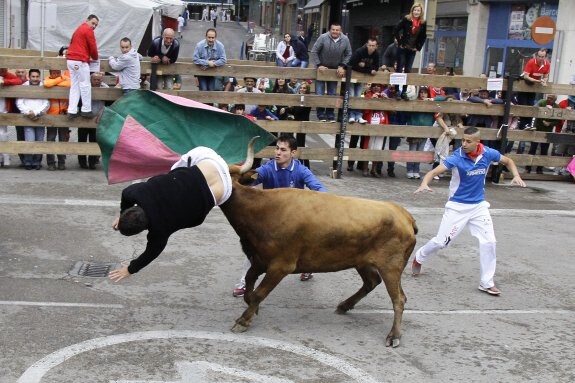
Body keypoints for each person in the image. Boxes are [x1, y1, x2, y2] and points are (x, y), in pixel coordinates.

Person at [412, 126, 527, 296]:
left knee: (489, 242)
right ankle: (420, 256)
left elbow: (508, 161)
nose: (464, 144)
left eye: (468, 141)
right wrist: (424, 183)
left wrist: (516, 175)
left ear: (477, 142)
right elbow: (434, 171)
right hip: (457, 207)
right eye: (463, 140)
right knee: (441, 242)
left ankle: (486, 283)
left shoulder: (488, 153)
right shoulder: (457, 157)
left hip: (479, 206)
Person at [109, 147, 233, 282]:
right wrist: (121, 215)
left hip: (224, 188)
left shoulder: (159, 229)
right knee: (176, 172)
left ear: (144, 228)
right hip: (210, 162)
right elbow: (125, 194)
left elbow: (151, 252)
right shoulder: (138, 193)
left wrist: (130, 269)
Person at [233, 135, 327, 296]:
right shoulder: (268, 168)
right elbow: (250, 180)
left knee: (308, 242)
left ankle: (308, 268)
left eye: (283, 150)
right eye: (277, 148)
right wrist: (241, 179)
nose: (278, 153)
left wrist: (322, 202)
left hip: (294, 220)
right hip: (270, 219)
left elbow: (319, 189)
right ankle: (243, 282)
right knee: (254, 247)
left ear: (294, 153)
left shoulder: (301, 171)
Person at [310, 22, 352, 122]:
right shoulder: (323, 37)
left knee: (332, 93)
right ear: (330, 30)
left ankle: (330, 114)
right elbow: (314, 51)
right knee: (319, 93)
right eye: (333, 29)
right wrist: (319, 64)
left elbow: (349, 54)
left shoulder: (345, 39)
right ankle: (320, 114)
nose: (335, 32)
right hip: (322, 70)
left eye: (337, 30)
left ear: (340, 31)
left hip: (335, 71)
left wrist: (342, 65)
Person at [66, 14, 99, 119]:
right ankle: (86, 109)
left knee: (74, 86)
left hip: (70, 60)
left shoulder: (79, 29)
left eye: (96, 25)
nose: (94, 26)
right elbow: (93, 48)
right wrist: (95, 57)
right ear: (87, 21)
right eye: (93, 23)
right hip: (80, 60)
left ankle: (72, 110)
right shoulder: (88, 30)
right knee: (85, 84)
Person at [16, 69, 49, 170]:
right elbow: (19, 102)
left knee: (39, 140)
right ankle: (28, 161)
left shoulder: (43, 86)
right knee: (29, 140)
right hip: (27, 117)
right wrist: (28, 112)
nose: (35, 79)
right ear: (29, 77)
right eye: (33, 76)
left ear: (39, 77)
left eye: (37, 76)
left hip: (40, 117)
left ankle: (37, 161)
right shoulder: (24, 86)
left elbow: (46, 103)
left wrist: (36, 113)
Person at [392, 3, 427, 100]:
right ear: (412, 11)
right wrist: (400, 42)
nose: (416, 12)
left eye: (418, 11)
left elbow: (423, 36)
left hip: (412, 49)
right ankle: (396, 91)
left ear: (421, 12)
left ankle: (404, 91)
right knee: (400, 69)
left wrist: (418, 47)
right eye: (415, 10)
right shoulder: (406, 19)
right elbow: (395, 30)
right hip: (403, 48)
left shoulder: (423, 23)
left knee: (408, 70)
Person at [78, 72, 108, 169]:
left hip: (96, 119)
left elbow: (109, 104)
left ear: (101, 80)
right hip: (84, 118)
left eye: (98, 79)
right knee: (82, 140)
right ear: (91, 80)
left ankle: (92, 162)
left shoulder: (106, 89)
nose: (96, 81)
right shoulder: (85, 87)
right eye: (94, 79)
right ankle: (82, 163)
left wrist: (102, 113)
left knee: (94, 140)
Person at [525, 94, 561, 174]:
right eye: (548, 97)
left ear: (554, 100)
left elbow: (558, 121)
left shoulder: (557, 107)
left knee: (544, 151)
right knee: (532, 149)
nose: (548, 99)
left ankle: (539, 169)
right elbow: (535, 107)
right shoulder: (542, 102)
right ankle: (528, 168)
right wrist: (543, 111)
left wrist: (550, 123)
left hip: (547, 132)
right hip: (537, 130)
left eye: (551, 98)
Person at [43, 68, 70, 170]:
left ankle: (61, 162)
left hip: (64, 116)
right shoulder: (47, 79)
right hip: (51, 117)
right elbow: (47, 84)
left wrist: (55, 83)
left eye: (58, 73)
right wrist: (60, 79)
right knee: (51, 139)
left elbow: (69, 84)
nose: (56, 74)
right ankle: (51, 163)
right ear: (50, 73)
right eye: (54, 73)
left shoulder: (65, 79)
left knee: (63, 140)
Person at [348, 38, 380, 124]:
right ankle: (351, 115)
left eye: (373, 46)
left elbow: (376, 68)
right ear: (367, 45)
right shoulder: (360, 52)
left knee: (358, 96)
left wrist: (365, 65)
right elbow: (352, 65)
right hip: (352, 76)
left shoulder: (376, 54)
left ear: (376, 46)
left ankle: (358, 115)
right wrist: (369, 70)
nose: (371, 47)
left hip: (362, 77)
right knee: (351, 95)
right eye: (369, 45)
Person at [518, 48, 550, 131]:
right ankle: (523, 125)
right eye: (539, 56)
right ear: (537, 56)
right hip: (524, 85)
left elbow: (546, 76)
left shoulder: (547, 64)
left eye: (542, 56)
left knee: (530, 105)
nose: (540, 58)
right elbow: (526, 76)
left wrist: (544, 81)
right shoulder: (531, 62)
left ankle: (529, 124)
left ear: (545, 57)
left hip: (533, 86)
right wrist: (538, 81)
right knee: (523, 105)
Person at [0, 67, 23, 167]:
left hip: (4, 110)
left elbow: (18, 80)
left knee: (3, 134)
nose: (3, 71)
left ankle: (5, 157)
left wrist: (4, 81)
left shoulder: (8, 75)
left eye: (4, 69)